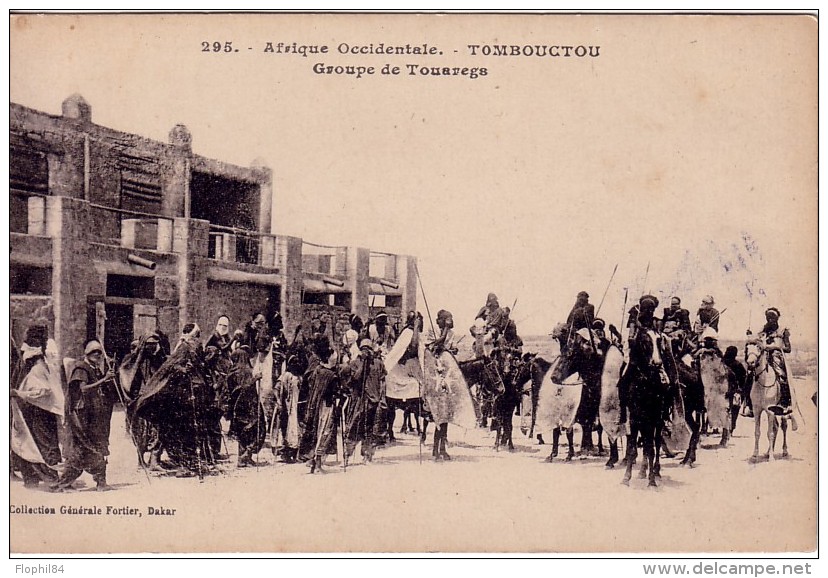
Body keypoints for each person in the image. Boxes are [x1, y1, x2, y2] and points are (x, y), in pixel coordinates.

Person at [134, 324, 215, 477]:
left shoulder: (191, 348)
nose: (198, 339)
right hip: (177, 397)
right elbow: (172, 367)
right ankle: (176, 463)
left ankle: (182, 463)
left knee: (186, 431)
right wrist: (184, 370)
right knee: (175, 431)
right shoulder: (183, 347)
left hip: (188, 396)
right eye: (196, 335)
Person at [55, 340, 118, 491]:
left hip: (95, 417)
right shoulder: (81, 369)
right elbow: (83, 389)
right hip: (82, 417)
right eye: (93, 352)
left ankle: (101, 482)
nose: (97, 355)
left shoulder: (95, 368)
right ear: (87, 354)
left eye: (99, 352)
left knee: (98, 445)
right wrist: (104, 380)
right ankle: (64, 483)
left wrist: (107, 379)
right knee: (83, 450)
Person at [10, 325, 63, 488]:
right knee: (35, 442)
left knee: (41, 443)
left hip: (39, 412)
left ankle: (48, 479)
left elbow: (44, 391)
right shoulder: (39, 366)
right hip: (35, 411)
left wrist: (20, 394)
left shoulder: (37, 368)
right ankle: (36, 478)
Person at [298, 335, 341, 473]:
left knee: (315, 431)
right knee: (324, 432)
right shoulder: (331, 375)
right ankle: (317, 465)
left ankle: (312, 461)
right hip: (326, 407)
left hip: (315, 405)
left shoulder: (317, 370)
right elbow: (335, 393)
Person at [340, 338, 387, 464]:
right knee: (354, 427)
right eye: (364, 349)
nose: (367, 352)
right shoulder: (355, 363)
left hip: (374, 401)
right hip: (359, 401)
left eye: (369, 349)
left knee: (371, 429)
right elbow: (355, 378)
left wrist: (382, 397)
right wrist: (363, 363)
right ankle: (347, 455)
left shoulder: (378, 363)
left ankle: (368, 454)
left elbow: (383, 380)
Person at [748, 307, 793, 416]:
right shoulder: (763, 330)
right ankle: (749, 405)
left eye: (772, 318)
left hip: (776, 356)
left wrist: (774, 348)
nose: (770, 320)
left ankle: (784, 404)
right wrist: (751, 336)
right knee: (750, 374)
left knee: (781, 376)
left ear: (777, 318)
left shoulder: (783, 331)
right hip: (763, 355)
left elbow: (788, 349)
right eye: (768, 318)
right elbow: (756, 341)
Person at [226, 346, 266, 468]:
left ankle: (244, 457)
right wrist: (255, 379)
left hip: (237, 406)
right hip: (249, 405)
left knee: (242, 430)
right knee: (256, 428)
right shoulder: (246, 371)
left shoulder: (232, 371)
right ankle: (245, 456)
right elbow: (244, 387)